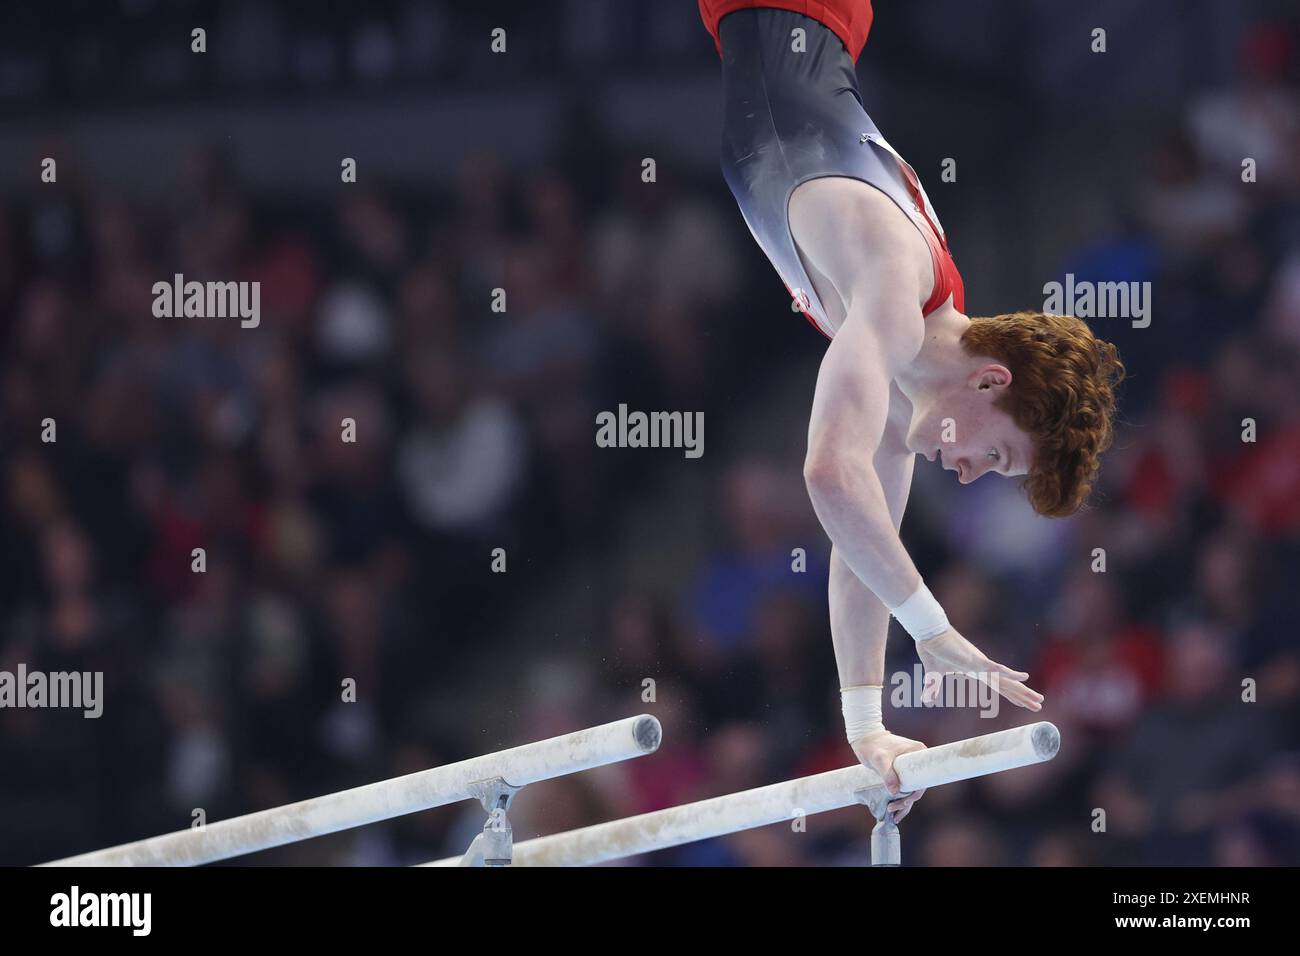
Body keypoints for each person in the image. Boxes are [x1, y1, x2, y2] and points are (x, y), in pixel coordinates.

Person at [699, 0, 1125, 821]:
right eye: (997, 458)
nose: (969, 476)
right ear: (993, 383)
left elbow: (860, 544)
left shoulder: (903, 383)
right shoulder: (895, 296)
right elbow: (825, 472)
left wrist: (870, 729)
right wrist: (930, 627)